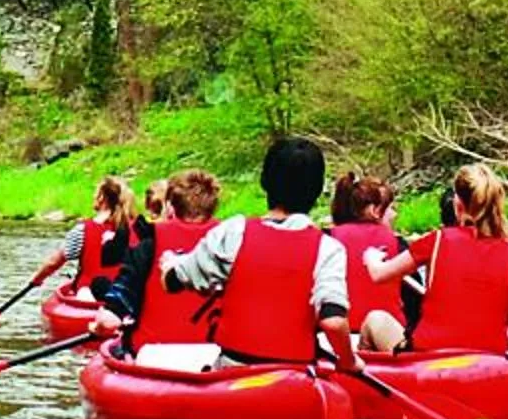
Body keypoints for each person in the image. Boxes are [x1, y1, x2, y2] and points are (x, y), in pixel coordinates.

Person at [157, 137, 359, 371]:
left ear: (264, 181)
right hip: (293, 380)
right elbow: (333, 321)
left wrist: (170, 264)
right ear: (318, 190)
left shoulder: (234, 232)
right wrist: (349, 362)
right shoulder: (328, 249)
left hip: (231, 375)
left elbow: (175, 280)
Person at [403, 163, 508, 354]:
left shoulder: (438, 239)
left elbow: (380, 275)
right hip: (489, 362)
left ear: (457, 204)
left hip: (429, 358)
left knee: (376, 320)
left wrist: (372, 259)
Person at [100, 169, 220, 351]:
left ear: (170, 206)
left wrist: (97, 325)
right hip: (215, 359)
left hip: (153, 355)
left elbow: (109, 321)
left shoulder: (147, 246)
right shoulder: (230, 245)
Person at [327, 172, 417, 354]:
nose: (394, 214)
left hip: (334, 339)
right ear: (374, 211)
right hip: (384, 339)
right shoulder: (398, 245)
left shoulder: (326, 239)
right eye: (391, 208)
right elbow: (414, 302)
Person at [30, 176, 143, 306]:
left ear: (102, 197)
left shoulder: (82, 230)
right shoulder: (139, 229)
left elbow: (54, 263)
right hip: (127, 295)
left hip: (89, 295)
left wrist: (36, 280)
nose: (93, 196)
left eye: (95, 192)